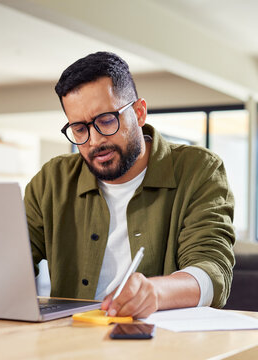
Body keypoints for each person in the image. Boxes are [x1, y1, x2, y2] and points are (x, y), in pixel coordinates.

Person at [24, 51, 235, 319]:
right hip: (69, 339)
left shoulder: (199, 170)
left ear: (139, 112)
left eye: (106, 120)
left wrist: (155, 292)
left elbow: (212, 270)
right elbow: (12, 263)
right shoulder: (51, 180)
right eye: (79, 128)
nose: (94, 141)